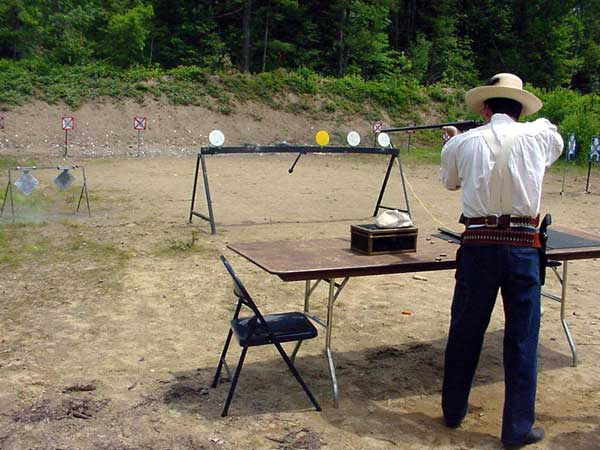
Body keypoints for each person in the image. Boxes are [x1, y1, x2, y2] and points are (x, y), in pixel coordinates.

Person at [439, 73, 564, 449]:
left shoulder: (463, 142)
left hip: (479, 244)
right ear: (519, 109)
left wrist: (456, 140)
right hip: (524, 244)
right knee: (522, 338)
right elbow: (551, 135)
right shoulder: (538, 135)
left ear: (486, 107)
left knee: (465, 331)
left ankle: (453, 410)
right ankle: (517, 428)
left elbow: (450, 182)